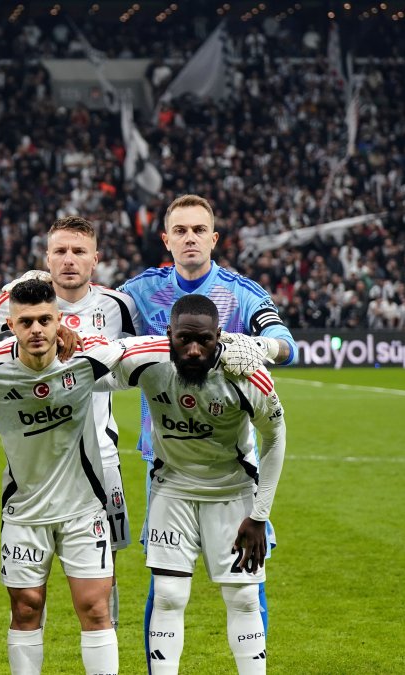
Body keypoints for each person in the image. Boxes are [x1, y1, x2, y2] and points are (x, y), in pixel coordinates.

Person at [116, 194, 294, 643]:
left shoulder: (241, 292)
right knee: (167, 584)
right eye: (180, 230)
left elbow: (285, 343)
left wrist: (261, 348)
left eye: (198, 230)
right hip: (166, 455)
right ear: (166, 239)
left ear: (213, 238)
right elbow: (99, 329)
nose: (189, 238)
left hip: (234, 459)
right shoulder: (139, 290)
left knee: (248, 583)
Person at [0, 216, 142, 628]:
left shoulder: (117, 306)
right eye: (60, 252)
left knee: (107, 566)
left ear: (95, 260)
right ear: (46, 258)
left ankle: (108, 640)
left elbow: (139, 359)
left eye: (79, 252)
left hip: (99, 457)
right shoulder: (22, 301)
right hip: (35, 459)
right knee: (30, 588)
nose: (69, 260)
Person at [0, 279, 123, 674]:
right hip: (24, 511)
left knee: (96, 608)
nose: (36, 330)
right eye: (26, 321)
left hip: (84, 509)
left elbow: (140, 349)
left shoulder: (86, 357)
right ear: (11, 325)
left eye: (45, 320)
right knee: (26, 608)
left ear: (59, 321)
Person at [114, 295, 285, 674]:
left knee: (242, 598)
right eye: (184, 340)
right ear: (169, 334)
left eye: (204, 341)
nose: (193, 350)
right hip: (171, 490)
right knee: (169, 595)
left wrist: (259, 515)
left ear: (219, 335)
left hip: (232, 492)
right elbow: (97, 361)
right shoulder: (145, 360)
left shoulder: (246, 371)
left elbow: (275, 438)